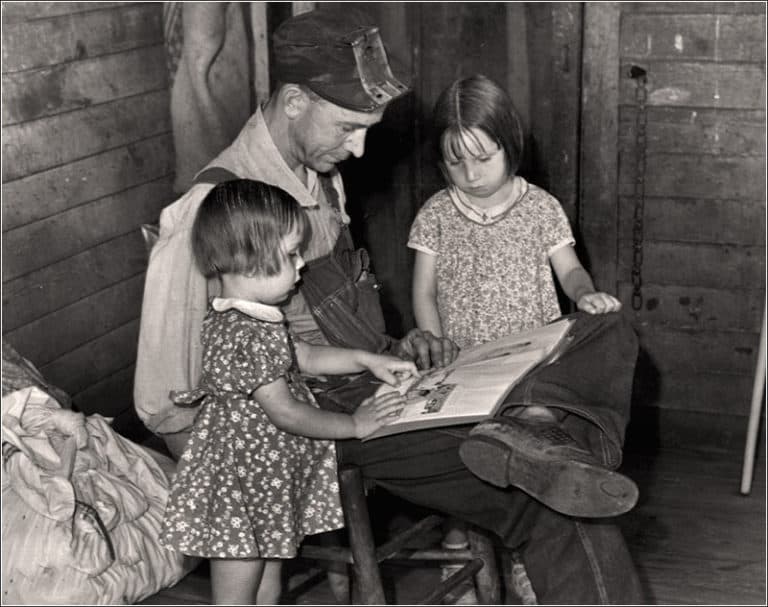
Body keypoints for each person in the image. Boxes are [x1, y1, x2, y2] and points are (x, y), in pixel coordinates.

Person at [135, 8, 645, 603]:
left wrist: (398, 349)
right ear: (295, 100)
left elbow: (326, 322)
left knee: (604, 332)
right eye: (350, 126)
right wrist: (239, 493)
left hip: (379, 381)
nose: (358, 149)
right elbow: (161, 398)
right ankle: (536, 446)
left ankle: (534, 434)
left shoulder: (317, 175)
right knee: (555, 502)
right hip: (320, 421)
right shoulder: (215, 207)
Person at [408, 74, 634, 594]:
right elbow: (423, 292)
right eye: (454, 161)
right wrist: (435, 343)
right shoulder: (436, 214)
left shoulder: (541, 208)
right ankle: (458, 560)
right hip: (462, 362)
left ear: (510, 145)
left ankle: (528, 565)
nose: (470, 173)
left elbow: (570, 270)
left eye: (483, 157)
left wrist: (584, 296)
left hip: (528, 367)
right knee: (463, 467)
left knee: (527, 462)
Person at [159, 179, 418, 604]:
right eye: (292, 254)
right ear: (250, 260)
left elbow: (307, 357)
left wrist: (369, 360)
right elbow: (286, 412)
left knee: (268, 582)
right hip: (239, 487)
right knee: (237, 594)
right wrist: (354, 424)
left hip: (266, 481)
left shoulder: (260, 317)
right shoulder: (242, 330)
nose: (302, 266)